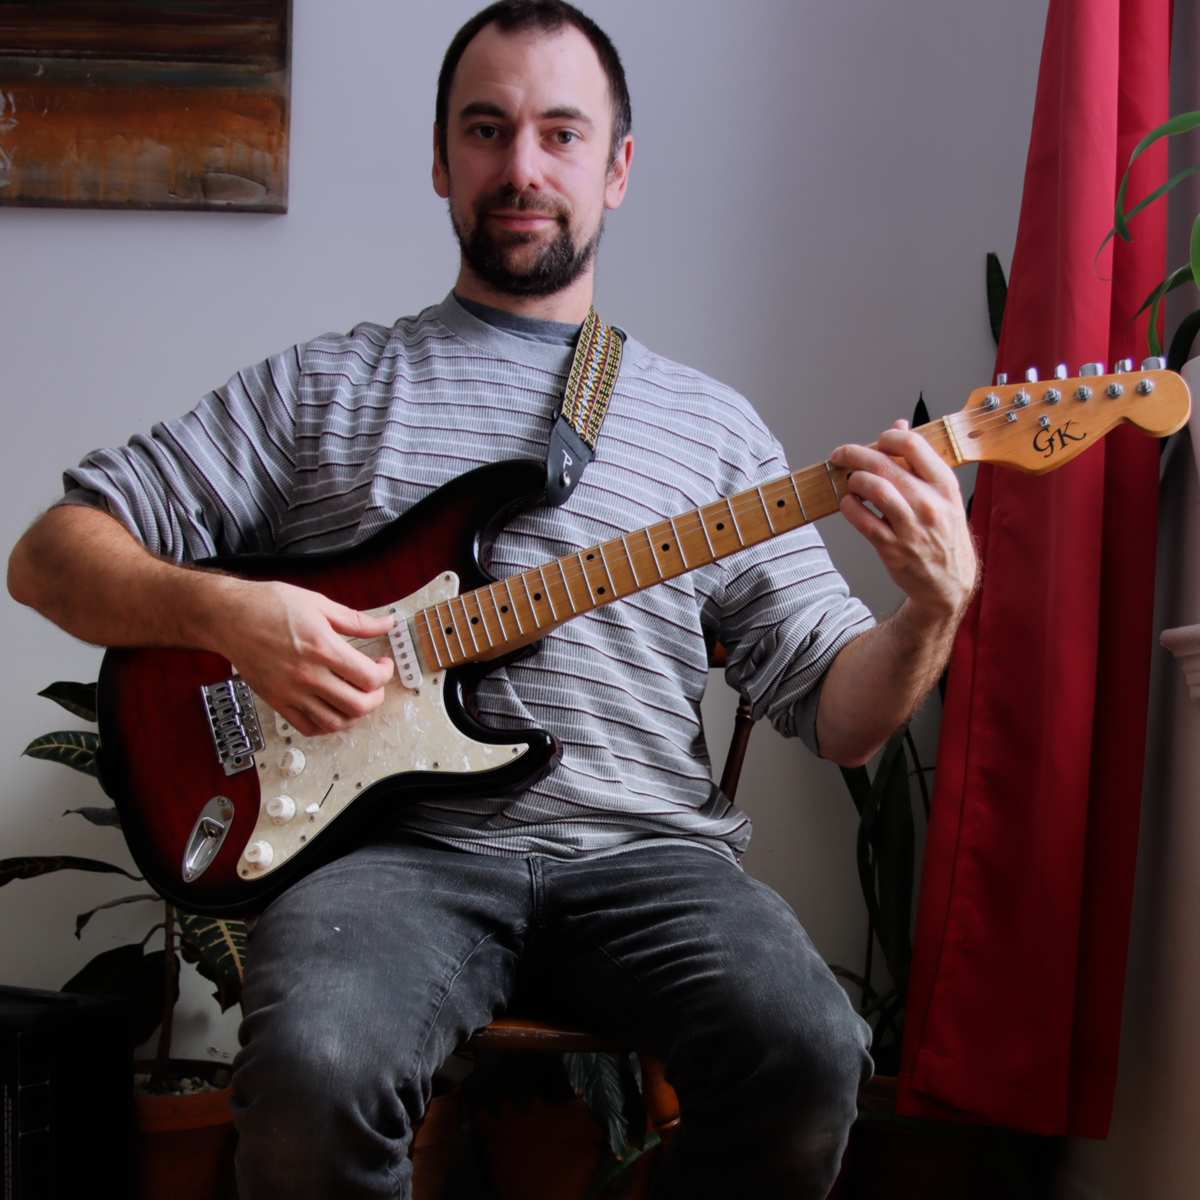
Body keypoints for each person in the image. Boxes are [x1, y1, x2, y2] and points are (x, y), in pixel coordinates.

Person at [7, 3, 976, 1196]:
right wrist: (232, 618)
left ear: (617, 168)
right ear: (440, 158)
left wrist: (930, 613)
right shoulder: (328, 387)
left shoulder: (715, 432)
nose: (523, 166)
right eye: (488, 128)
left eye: (562, 134)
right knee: (313, 1076)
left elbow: (843, 716)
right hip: (389, 863)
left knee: (814, 1056)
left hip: (649, 860)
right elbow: (51, 554)